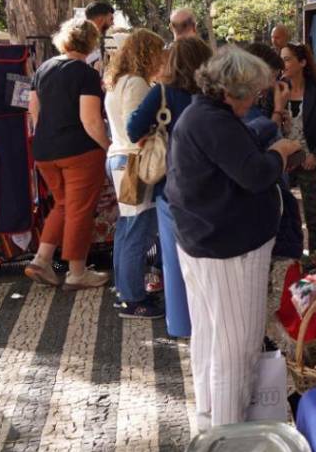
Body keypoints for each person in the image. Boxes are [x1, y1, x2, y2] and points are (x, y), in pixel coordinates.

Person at [166, 46, 302, 429]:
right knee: (236, 350)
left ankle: (210, 424)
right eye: (253, 94)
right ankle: (228, 439)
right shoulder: (212, 121)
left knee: (212, 339)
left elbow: (237, 153)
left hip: (206, 241)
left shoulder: (203, 114)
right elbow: (255, 175)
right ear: (232, 92)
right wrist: (279, 152)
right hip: (228, 250)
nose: (255, 101)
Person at [127, 36, 212, 338]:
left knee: (173, 256)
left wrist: (155, 130)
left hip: (171, 183)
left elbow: (132, 128)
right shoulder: (213, 93)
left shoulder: (161, 93)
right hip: (210, 180)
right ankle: (209, 317)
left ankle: (182, 324)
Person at [24, 18, 111, 290]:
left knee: (64, 205)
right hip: (80, 151)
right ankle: (76, 272)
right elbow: (91, 120)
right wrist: (108, 147)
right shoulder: (86, 74)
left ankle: (42, 259)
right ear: (91, 42)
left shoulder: (44, 69)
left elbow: (33, 111)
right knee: (80, 211)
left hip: (45, 150)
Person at [104, 28, 167, 319]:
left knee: (127, 229)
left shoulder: (117, 82)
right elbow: (136, 129)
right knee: (137, 230)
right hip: (133, 162)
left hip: (119, 159)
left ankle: (125, 291)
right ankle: (133, 298)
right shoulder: (137, 83)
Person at [274, 42, 316, 252]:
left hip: (309, 159)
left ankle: (315, 261)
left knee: (313, 217)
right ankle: (286, 257)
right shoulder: (276, 90)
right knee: (280, 212)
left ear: (302, 62)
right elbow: (267, 127)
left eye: (287, 59)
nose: (282, 63)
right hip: (280, 160)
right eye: (281, 59)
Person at [84, 0, 115, 71]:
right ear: (100, 19)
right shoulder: (77, 40)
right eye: (111, 19)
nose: (113, 23)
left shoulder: (107, 40)